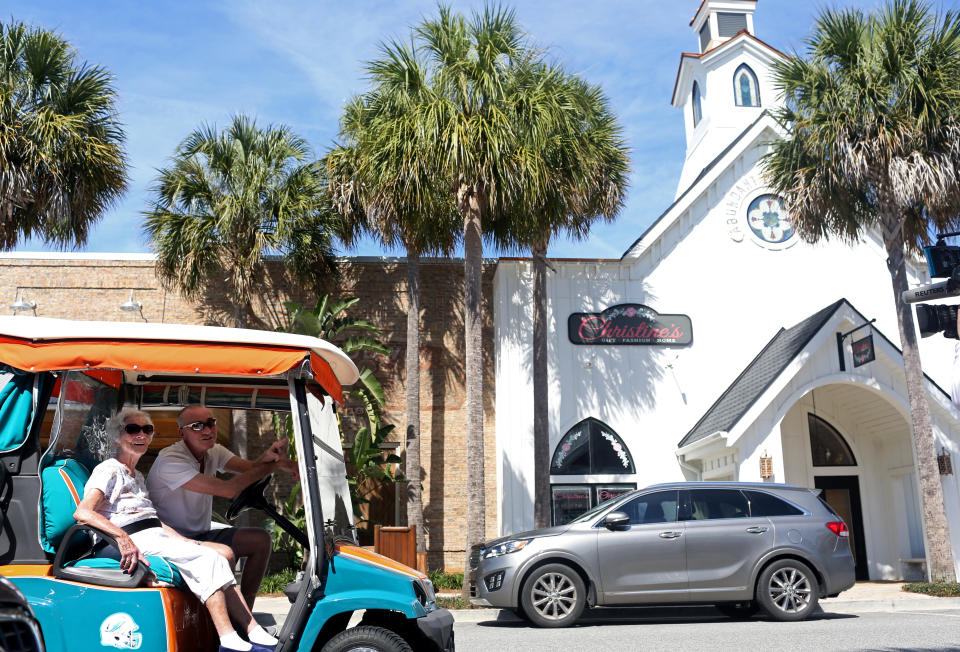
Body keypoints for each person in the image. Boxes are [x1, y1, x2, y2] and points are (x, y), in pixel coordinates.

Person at [73, 409, 278, 652]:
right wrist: (121, 537)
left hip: (150, 535)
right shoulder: (109, 469)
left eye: (147, 430)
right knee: (209, 558)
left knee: (217, 556)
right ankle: (229, 639)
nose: (141, 434)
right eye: (132, 429)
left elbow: (152, 520)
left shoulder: (136, 474)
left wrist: (182, 540)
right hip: (120, 542)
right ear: (118, 437)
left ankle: (249, 628)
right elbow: (83, 512)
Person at [146, 404, 298, 607]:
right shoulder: (170, 461)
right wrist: (277, 465)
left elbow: (251, 469)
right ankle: (233, 622)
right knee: (225, 554)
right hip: (172, 538)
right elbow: (229, 490)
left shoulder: (212, 451)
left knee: (261, 540)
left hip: (200, 531)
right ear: (182, 433)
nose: (208, 430)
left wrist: (269, 457)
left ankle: (246, 613)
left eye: (210, 423)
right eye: (198, 426)